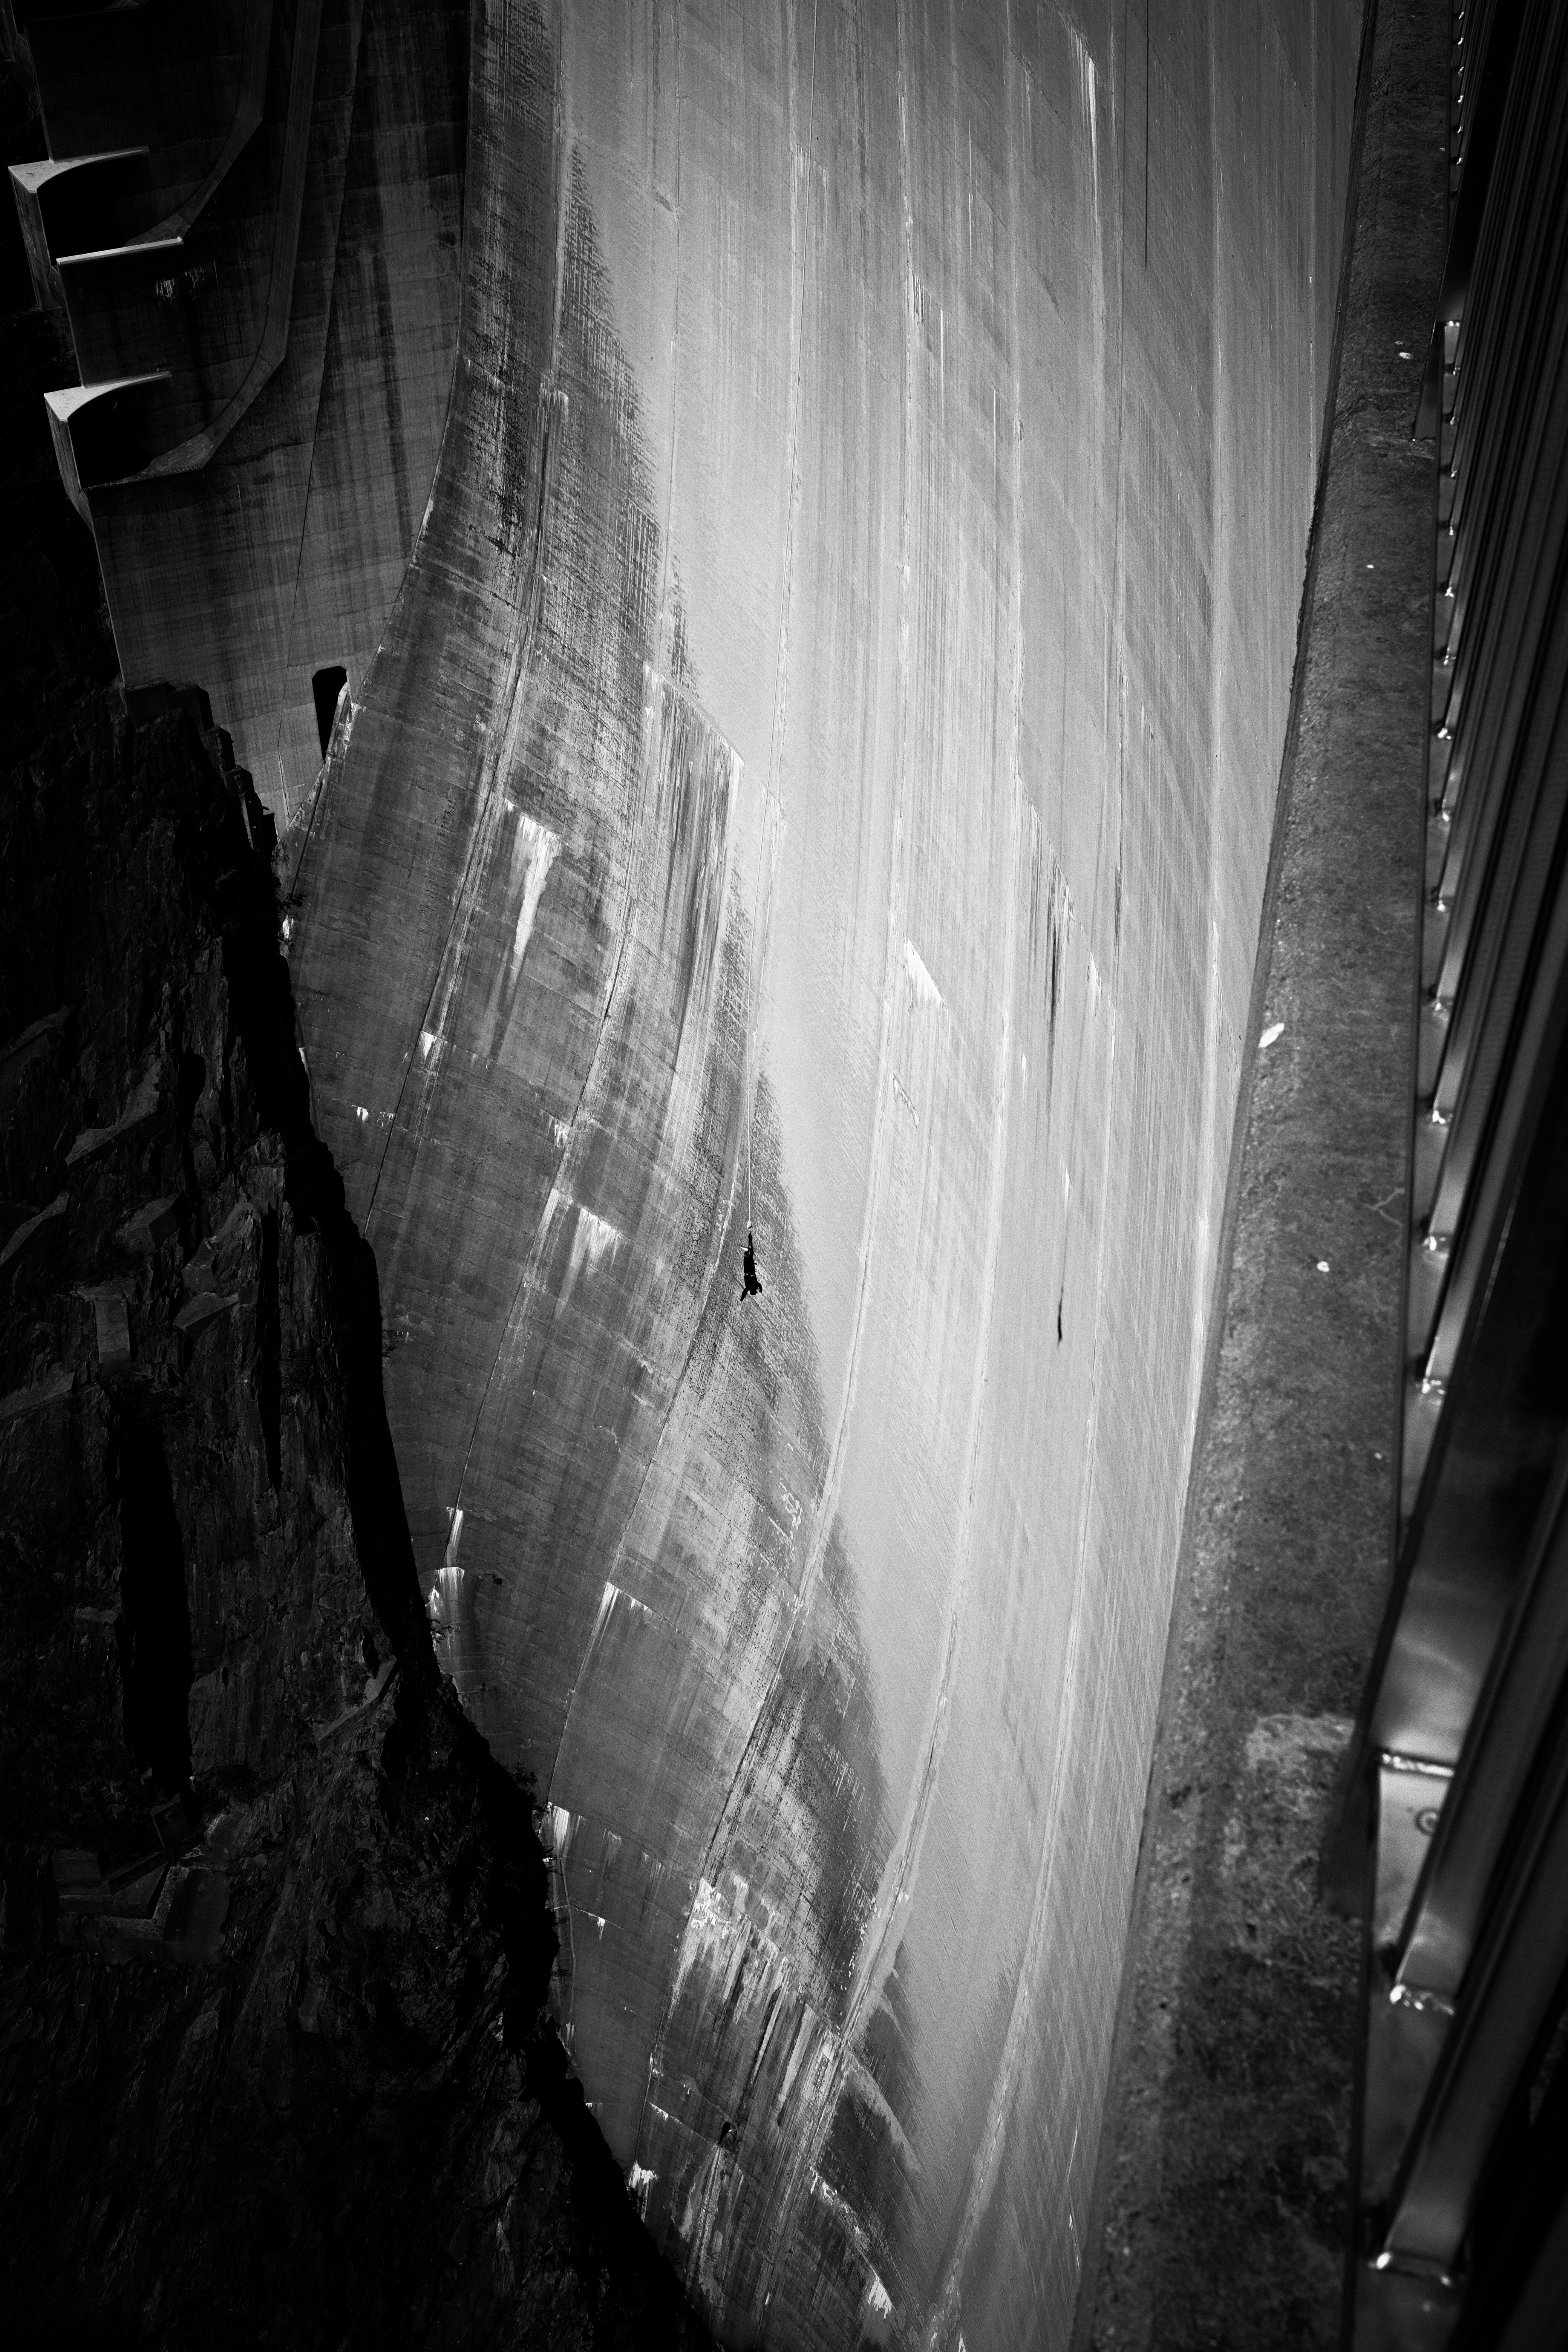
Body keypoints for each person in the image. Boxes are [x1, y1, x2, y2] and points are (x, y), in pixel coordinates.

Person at [741, 1228, 762, 1298]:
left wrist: (761, 1290)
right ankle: (746, 1250)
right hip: (748, 1271)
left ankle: (750, 1237)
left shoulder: (756, 1285)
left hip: (753, 1270)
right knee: (746, 1259)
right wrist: (741, 1300)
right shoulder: (749, 1287)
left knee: (752, 1255)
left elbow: (760, 1285)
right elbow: (744, 1293)